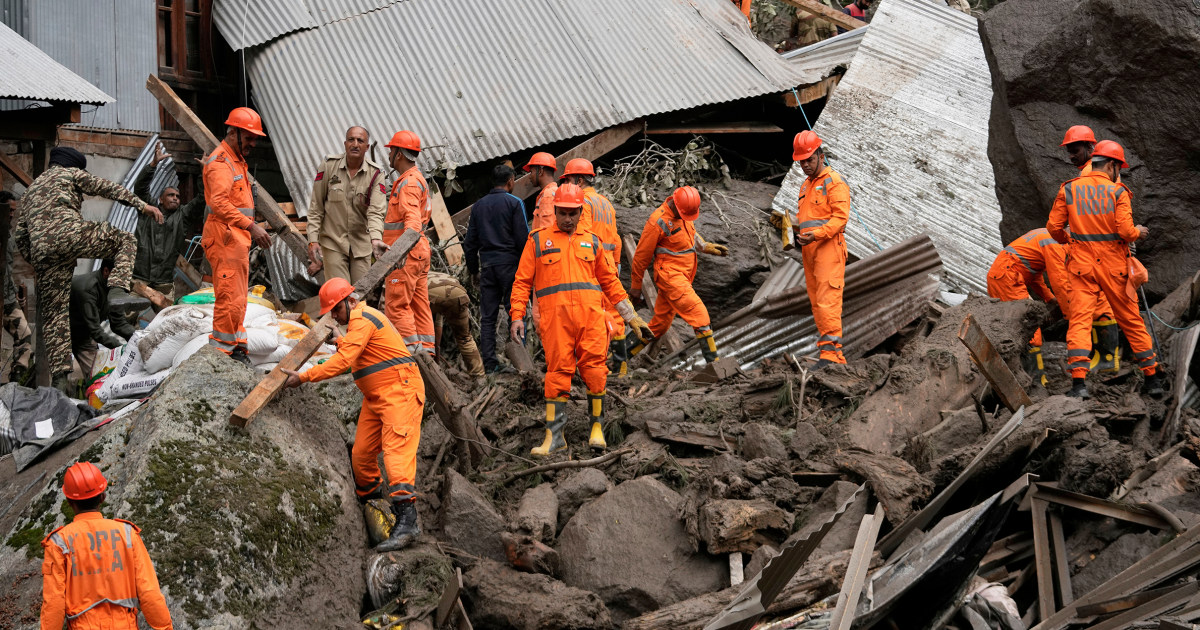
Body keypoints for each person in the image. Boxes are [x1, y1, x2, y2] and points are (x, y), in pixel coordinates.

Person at [282, 278, 426, 552]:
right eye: (331, 312)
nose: (333, 316)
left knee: (396, 452)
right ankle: (374, 505)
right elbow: (357, 350)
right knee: (361, 454)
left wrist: (304, 377)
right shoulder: (359, 324)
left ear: (350, 301)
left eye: (335, 310)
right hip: (378, 396)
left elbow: (345, 361)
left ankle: (408, 520)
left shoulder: (363, 317)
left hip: (400, 390)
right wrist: (341, 340)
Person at [509, 183, 652, 455]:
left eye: (572, 213)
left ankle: (596, 428)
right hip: (556, 321)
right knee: (556, 373)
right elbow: (522, 281)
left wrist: (631, 317)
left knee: (596, 370)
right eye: (562, 213)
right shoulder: (537, 240)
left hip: (590, 319)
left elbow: (610, 283)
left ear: (580, 212)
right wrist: (517, 315)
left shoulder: (593, 241)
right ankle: (555, 436)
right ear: (555, 210)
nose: (567, 219)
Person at [14, 147, 162, 393]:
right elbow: (105, 187)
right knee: (124, 240)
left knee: (55, 318)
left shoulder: (30, 191)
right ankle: (116, 292)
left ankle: (60, 381)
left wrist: (39, 260)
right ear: (72, 165)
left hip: (42, 254)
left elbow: (20, 235)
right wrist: (140, 204)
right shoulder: (69, 174)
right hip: (69, 235)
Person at [1046, 140, 1162, 399]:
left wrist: (1071, 239)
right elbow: (1125, 232)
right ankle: (1152, 379)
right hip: (1114, 268)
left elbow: (1054, 229)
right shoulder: (1118, 192)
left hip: (1081, 268)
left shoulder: (1070, 189)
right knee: (1131, 321)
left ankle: (1078, 385)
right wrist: (1139, 233)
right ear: (1112, 165)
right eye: (1118, 168)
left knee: (1080, 322)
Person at [40, 461, 173, 630]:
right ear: (102, 496)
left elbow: (53, 602)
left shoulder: (59, 542)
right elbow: (149, 592)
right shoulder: (127, 534)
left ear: (69, 501)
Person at [986, 228, 1119, 383]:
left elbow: (1034, 275)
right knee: (1026, 326)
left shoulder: (1048, 237)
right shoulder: (1055, 243)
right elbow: (1060, 282)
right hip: (1005, 278)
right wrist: (1071, 314)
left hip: (1009, 275)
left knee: (1101, 306)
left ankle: (1107, 360)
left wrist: (1050, 299)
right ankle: (1036, 380)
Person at [202, 107, 272, 365]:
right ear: (233, 133)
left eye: (255, 138)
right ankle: (222, 354)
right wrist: (252, 226)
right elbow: (220, 203)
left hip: (233, 238)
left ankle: (235, 346)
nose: (254, 143)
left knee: (238, 297)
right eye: (250, 137)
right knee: (229, 297)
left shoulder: (235, 160)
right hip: (224, 237)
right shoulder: (221, 162)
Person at [628, 186, 728, 364]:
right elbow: (641, 257)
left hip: (682, 276)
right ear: (674, 203)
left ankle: (615, 360)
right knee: (700, 314)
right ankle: (715, 365)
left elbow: (690, 234)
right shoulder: (657, 221)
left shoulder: (684, 212)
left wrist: (706, 246)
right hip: (671, 278)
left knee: (660, 325)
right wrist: (636, 287)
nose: (685, 218)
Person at [560, 159, 630, 375]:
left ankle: (596, 367)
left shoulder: (584, 203)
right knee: (616, 316)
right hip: (610, 264)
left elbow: (585, 237)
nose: (568, 187)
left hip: (594, 266)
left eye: (570, 181)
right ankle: (621, 367)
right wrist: (616, 264)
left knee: (594, 316)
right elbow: (616, 239)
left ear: (579, 180)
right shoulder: (606, 203)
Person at [787, 130, 849, 369]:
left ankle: (833, 356)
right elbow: (808, 219)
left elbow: (840, 220)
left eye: (809, 160)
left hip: (829, 250)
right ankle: (827, 353)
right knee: (817, 303)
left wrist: (817, 235)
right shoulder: (806, 185)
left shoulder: (834, 182)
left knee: (827, 302)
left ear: (821, 156)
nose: (805, 165)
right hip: (810, 252)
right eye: (801, 161)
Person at [463, 164, 529, 373]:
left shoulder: (479, 206)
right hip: (510, 267)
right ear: (510, 181)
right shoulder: (514, 203)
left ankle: (490, 365)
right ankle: (522, 364)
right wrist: (527, 270)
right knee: (516, 313)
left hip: (488, 267)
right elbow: (523, 240)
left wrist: (474, 269)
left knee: (488, 317)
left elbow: (470, 243)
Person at [374, 130, 435, 355]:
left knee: (397, 307)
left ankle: (412, 358)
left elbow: (412, 224)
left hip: (406, 256)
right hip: (419, 252)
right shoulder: (417, 179)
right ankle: (428, 356)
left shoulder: (408, 183)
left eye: (391, 150)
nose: (389, 155)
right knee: (420, 306)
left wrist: (398, 252)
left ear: (398, 153)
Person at [306, 126, 387, 283]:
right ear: (345, 143)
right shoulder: (329, 166)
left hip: (361, 245)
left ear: (367, 147)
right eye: (351, 140)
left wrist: (376, 238)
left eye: (360, 141)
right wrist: (313, 239)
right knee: (340, 294)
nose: (355, 144)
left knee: (359, 295)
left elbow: (376, 212)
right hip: (333, 242)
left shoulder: (376, 174)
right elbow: (316, 207)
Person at [133, 143, 206, 298]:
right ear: (160, 199)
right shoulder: (149, 209)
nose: (175, 198)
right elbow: (140, 189)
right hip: (139, 277)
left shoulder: (183, 215)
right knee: (127, 315)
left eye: (178, 196)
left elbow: (202, 200)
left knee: (166, 318)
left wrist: (204, 174)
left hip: (163, 282)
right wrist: (153, 165)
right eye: (171, 195)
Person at [70, 259, 136, 378]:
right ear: (106, 271)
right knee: (59, 376)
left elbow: (118, 323)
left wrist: (137, 339)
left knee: (98, 377)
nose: (122, 282)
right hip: (61, 336)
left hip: (84, 336)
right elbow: (95, 330)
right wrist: (121, 348)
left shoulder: (113, 289)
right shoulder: (88, 288)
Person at [428, 271, 485, 376]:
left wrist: (436, 352)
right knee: (465, 338)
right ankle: (478, 375)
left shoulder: (413, 276)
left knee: (422, 336)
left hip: (432, 295)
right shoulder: (437, 274)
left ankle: (430, 371)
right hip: (459, 294)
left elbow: (434, 329)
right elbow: (438, 324)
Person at [0, 191, 32, 380]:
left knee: (25, 336)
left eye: (14, 210)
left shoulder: (9, 235)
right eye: (9, 210)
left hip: (8, 299)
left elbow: (7, 270)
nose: (12, 214)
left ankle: (14, 384)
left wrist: (13, 294)